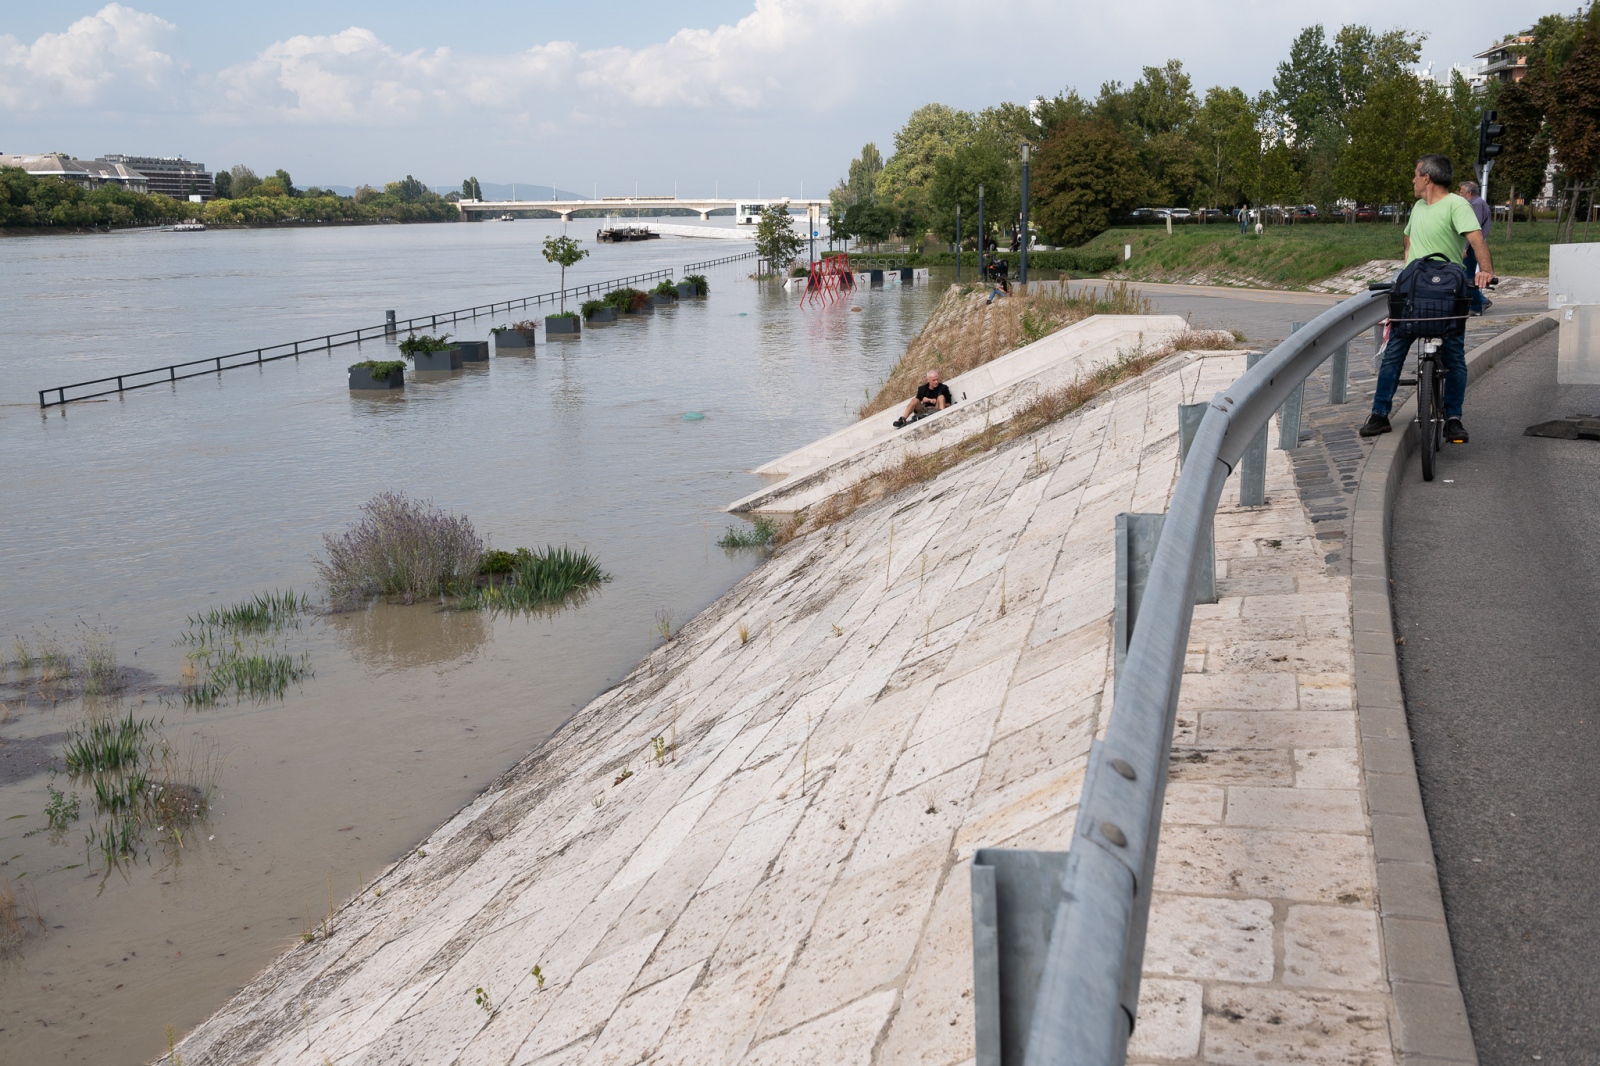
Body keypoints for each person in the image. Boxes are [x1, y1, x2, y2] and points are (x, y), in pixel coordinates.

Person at [1359, 155, 1494, 444]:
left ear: (1427, 178)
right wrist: (1407, 268)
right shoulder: (1418, 207)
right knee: (1395, 350)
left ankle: (1453, 418)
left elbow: (1476, 239)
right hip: (1414, 289)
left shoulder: (1457, 205)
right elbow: (1408, 240)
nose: (1413, 180)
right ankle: (1380, 414)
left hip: (1447, 289)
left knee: (1454, 354)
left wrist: (1486, 271)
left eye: (1415, 174)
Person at [1458, 180, 1492, 315]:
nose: (1460, 194)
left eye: (1461, 192)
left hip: (1472, 245)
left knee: (1468, 276)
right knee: (1466, 274)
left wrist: (1465, 247)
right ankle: (1481, 300)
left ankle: (1477, 305)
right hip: (1472, 245)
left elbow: (1473, 228)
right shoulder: (1477, 203)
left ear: (1469, 193)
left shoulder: (1476, 204)